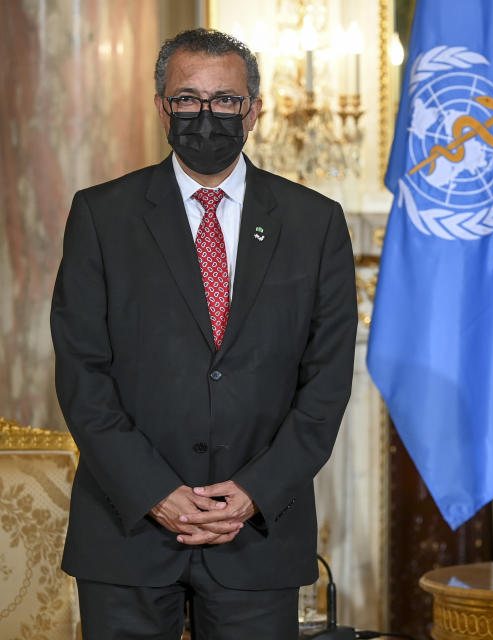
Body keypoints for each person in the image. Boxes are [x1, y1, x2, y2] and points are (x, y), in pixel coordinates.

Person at [50, 28, 357, 638]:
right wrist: (155, 491)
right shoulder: (100, 215)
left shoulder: (315, 222)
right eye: (187, 99)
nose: (206, 115)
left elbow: (326, 385)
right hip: (127, 530)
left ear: (255, 110)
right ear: (162, 107)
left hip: (258, 533)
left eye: (225, 100)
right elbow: (83, 375)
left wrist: (253, 492)